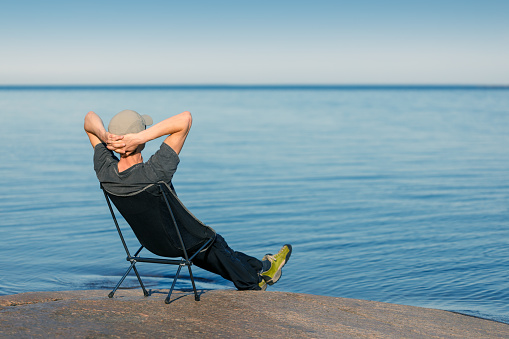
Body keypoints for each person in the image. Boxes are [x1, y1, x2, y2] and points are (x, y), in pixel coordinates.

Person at [84, 109, 292, 290]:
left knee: (210, 248)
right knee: (211, 241)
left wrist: (105, 136)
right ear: (140, 140)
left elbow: (88, 119)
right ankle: (253, 281)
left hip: (152, 244)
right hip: (184, 243)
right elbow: (185, 119)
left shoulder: (104, 170)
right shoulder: (155, 171)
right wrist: (140, 137)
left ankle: (264, 267)